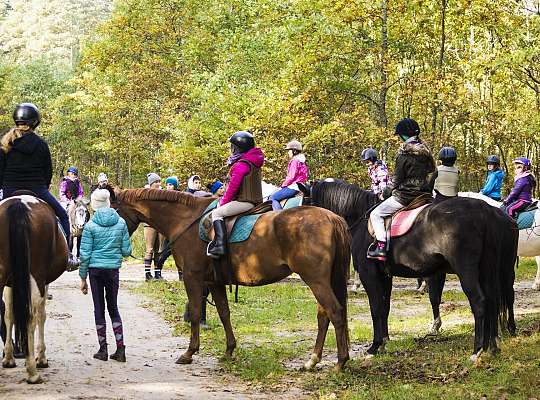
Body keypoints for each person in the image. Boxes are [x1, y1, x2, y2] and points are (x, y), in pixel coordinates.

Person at [0, 103, 78, 269]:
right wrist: (43, 185)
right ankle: (69, 256)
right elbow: (47, 172)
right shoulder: (41, 144)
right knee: (63, 216)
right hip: (37, 189)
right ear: (35, 122)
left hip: (8, 189)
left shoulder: (5, 144)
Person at [367, 118, 436, 261]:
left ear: (404, 135)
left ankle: (380, 247)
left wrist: (384, 194)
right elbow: (432, 170)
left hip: (406, 196)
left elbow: (396, 181)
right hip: (424, 194)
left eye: (400, 135)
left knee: (376, 214)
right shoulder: (426, 152)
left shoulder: (403, 154)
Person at [79, 189, 132, 362]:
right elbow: (126, 251)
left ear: (94, 206)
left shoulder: (90, 226)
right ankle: (121, 349)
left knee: (99, 309)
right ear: (109, 203)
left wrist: (82, 278)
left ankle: (103, 349)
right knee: (113, 308)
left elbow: (85, 255)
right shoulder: (121, 223)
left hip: (95, 271)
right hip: (112, 271)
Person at [207, 131, 265, 258]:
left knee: (216, 213)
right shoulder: (253, 161)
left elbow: (233, 188)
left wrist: (222, 202)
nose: (230, 149)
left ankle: (220, 246)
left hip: (244, 202)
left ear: (236, 148)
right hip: (256, 201)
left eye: (232, 147)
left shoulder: (240, 165)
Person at [270, 140, 309, 211]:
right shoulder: (302, 161)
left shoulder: (295, 161)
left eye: (289, 151)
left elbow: (291, 176)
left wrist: (283, 185)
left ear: (294, 151)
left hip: (293, 187)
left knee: (272, 198)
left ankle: (279, 214)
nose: (288, 153)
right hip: (300, 186)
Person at [143, 173, 165, 280]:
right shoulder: (146, 194)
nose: (158, 184)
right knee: (150, 249)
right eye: (156, 182)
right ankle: (147, 273)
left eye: (159, 181)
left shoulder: (162, 194)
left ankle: (158, 272)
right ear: (151, 183)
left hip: (161, 224)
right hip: (149, 224)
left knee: (159, 249)